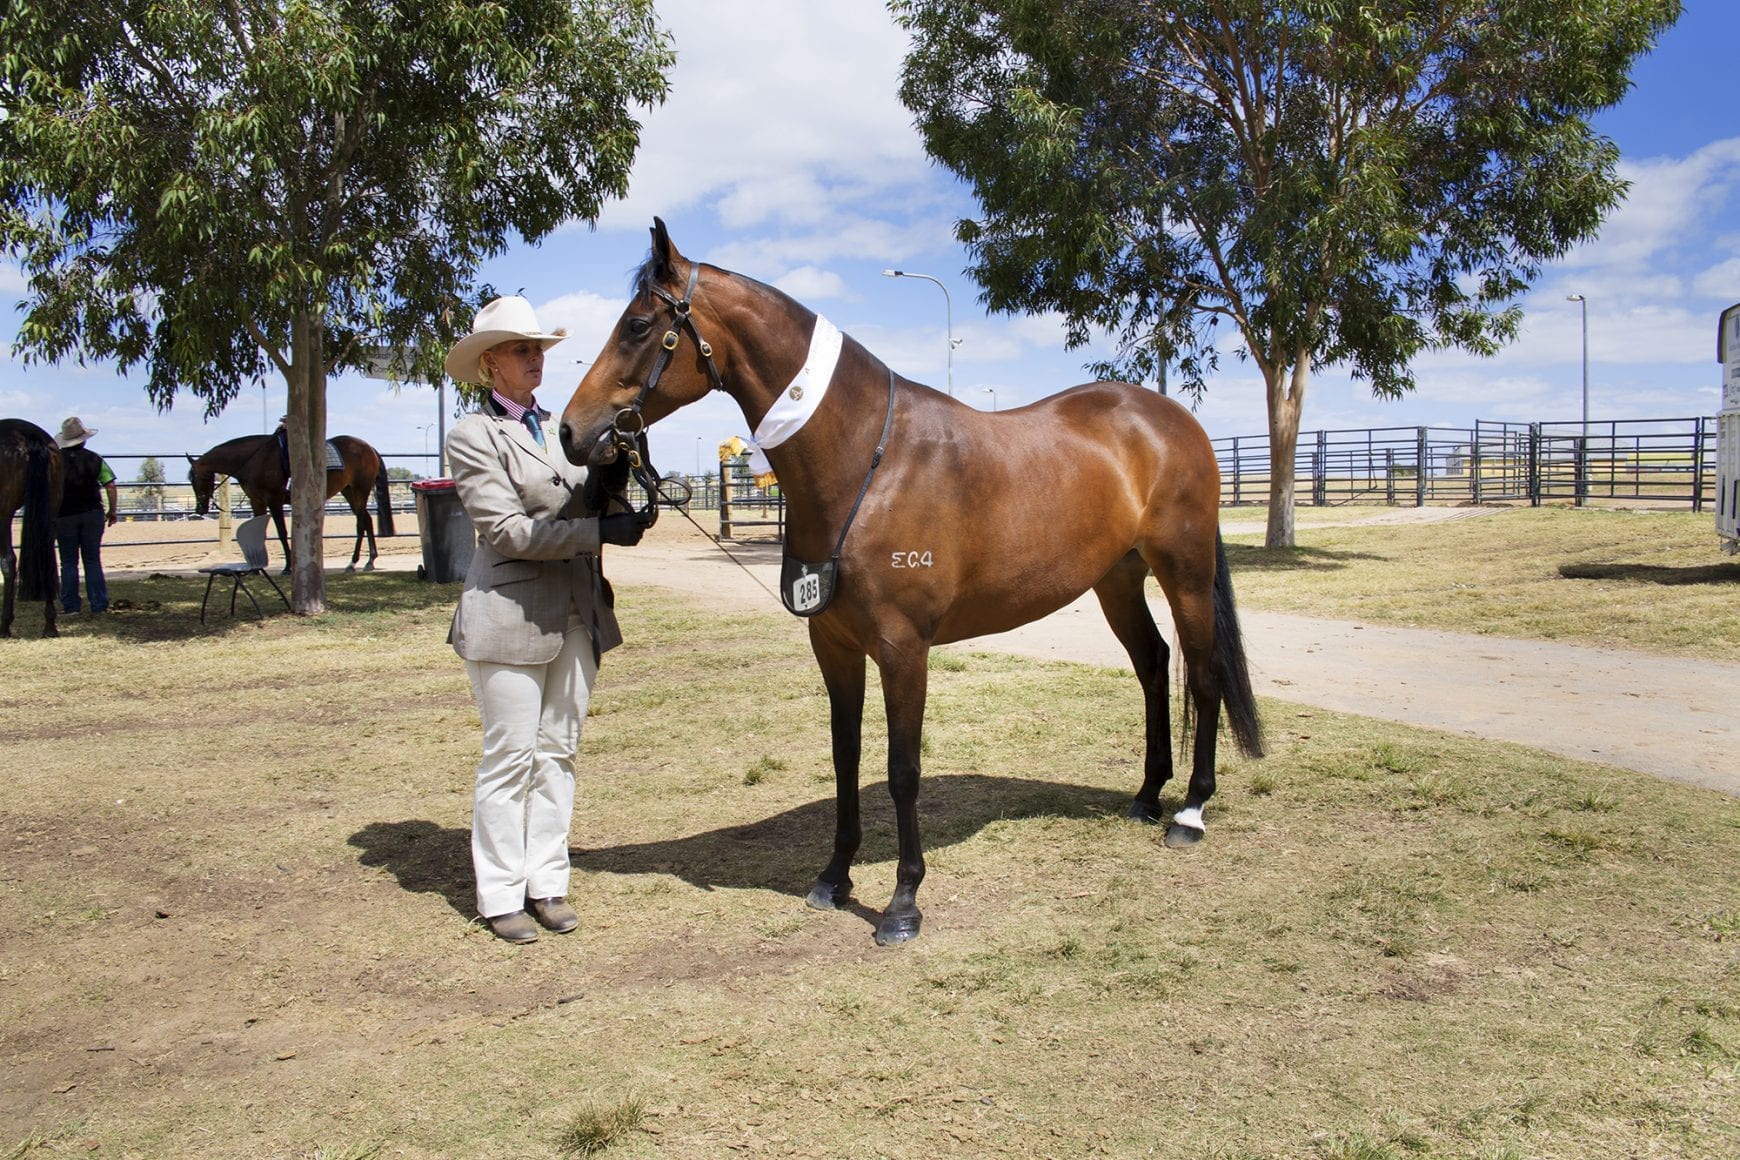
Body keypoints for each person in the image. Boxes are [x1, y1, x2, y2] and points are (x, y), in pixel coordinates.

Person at [442, 295, 648, 944]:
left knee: (558, 752)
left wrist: (615, 481)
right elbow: (505, 531)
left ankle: (547, 884)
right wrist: (596, 531)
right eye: (521, 350)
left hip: (577, 613)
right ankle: (501, 893)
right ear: (490, 364)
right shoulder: (473, 436)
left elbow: (581, 498)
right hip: (509, 614)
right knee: (511, 757)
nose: (535, 359)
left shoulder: (563, 428)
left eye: (538, 349)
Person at [53, 416, 119, 616]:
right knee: (92, 560)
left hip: (64, 516)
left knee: (68, 562)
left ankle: (71, 605)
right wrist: (112, 511)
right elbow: (111, 486)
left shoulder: (55, 462)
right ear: (84, 439)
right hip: (92, 513)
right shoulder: (95, 459)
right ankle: (99, 604)